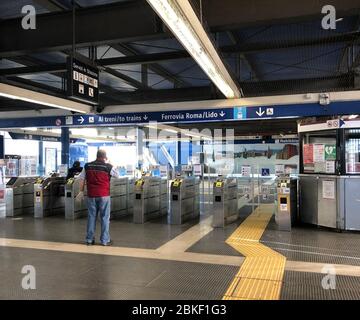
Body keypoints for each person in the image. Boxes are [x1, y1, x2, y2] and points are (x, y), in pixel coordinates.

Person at [76, 149, 119, 246]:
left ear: (96, 156)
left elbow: (82, 178)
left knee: (91, 217)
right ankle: (104, 240)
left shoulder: (87, 166)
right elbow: (117, 175)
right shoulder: (108, 166)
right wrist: (112, 164)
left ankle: (89, 240)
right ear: (105, 157)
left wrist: (81, 191)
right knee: (104, 218)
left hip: (91, 195)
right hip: (104, 196)